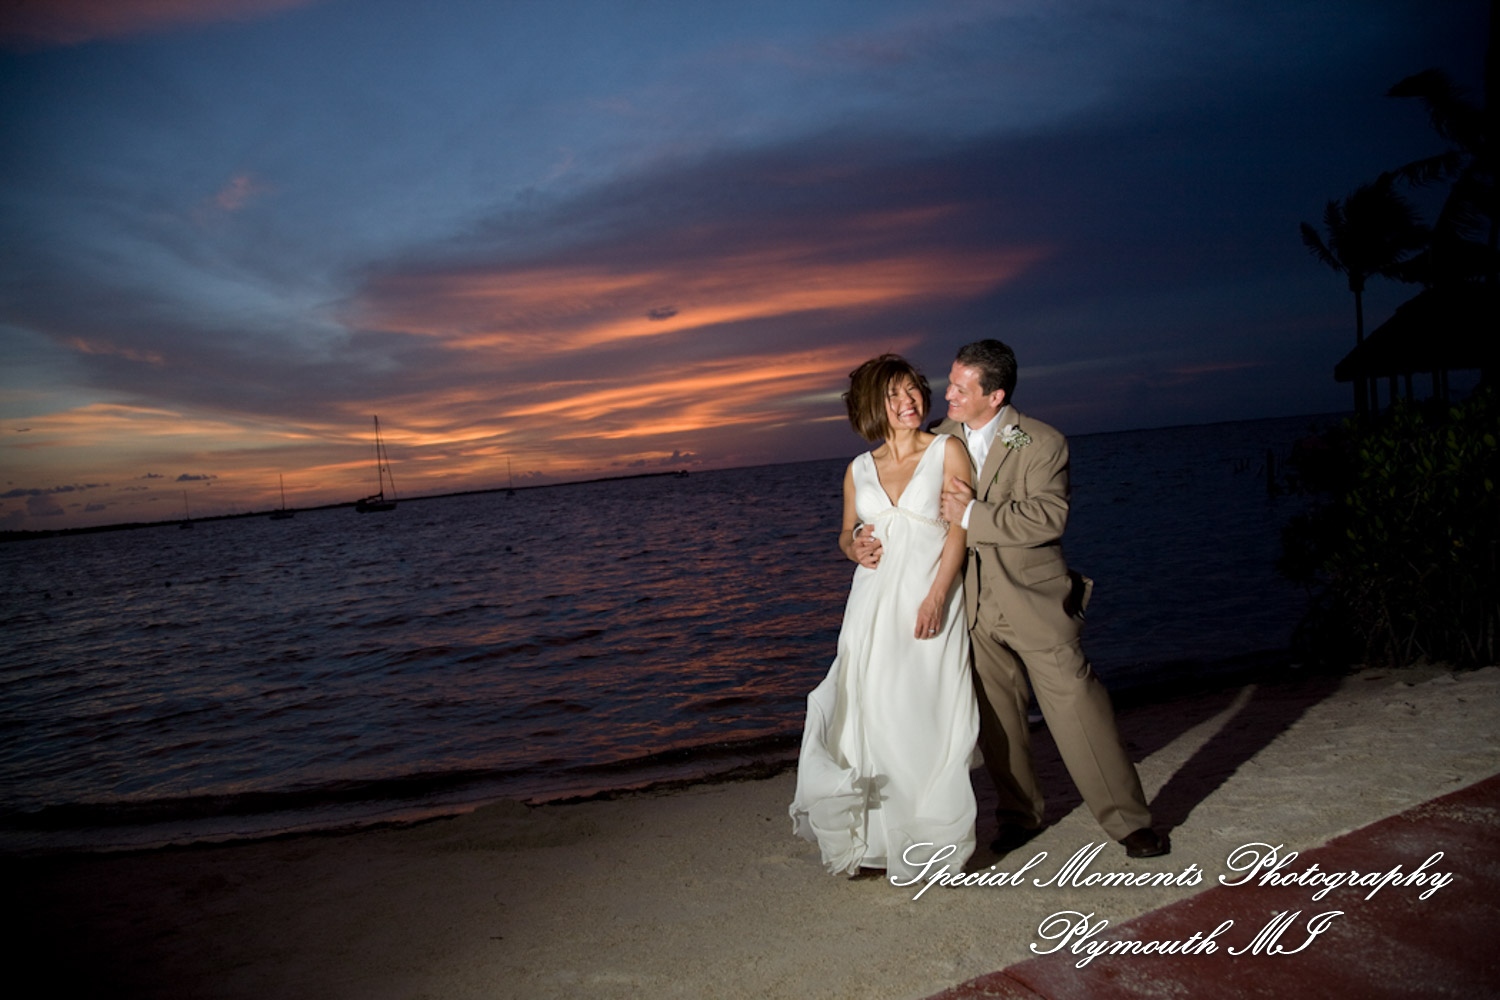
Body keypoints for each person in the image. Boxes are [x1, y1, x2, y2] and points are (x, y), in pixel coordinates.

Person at [926, 339, 1169, 859]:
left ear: (995, 396)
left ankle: (1128, 822)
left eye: (960, 387)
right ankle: (1020, 815)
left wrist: (971, 517)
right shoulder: (936, 440)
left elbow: (1047, 518)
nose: (946, 393)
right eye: (950, 381)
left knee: (1081, 709)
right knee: (997, 722)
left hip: (1035, 602)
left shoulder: (1040, 441)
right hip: (968, 607)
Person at [790, 354, 980, 880]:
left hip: (927, 599)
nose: (909, 403)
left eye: (913, 391)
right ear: (875, 406)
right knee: (870, 711)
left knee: (922, 709)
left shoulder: (948, 450)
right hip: (871, 605)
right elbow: (845, 533)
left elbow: (959, 530)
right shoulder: (858, 468)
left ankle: (930, 838)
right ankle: (875, 838)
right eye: (894, 396)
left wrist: (938, 595)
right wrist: (855, 547)